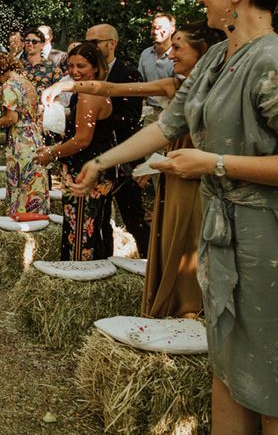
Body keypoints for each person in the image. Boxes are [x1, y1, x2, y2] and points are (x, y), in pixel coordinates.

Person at [73, 0, 278, 432]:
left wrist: (213, 163)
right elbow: (167, 126)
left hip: (267, 243)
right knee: (227, 364)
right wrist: (102, 162)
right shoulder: (215, 58)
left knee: (272, 381)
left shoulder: (275, 61)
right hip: (221, 236)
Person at [43, 24, 222, 315]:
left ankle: (195, 309)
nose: (171, 53)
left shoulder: (223, 89)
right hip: (174, 166)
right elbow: (111, 88)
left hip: (201, 171)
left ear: (203, 51)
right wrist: (64, 86)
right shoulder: (174, 85)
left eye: (178, 47)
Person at [35, 42, 113, 259]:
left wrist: (52, 154)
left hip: (85, 171)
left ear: (96, 67)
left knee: (80, 234)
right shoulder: (91, 90)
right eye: (71, 66)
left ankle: (79, 276)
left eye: (82, 66)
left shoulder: (89, 95)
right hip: (92, 167)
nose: (75, 72)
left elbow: (82, 140)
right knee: (87, 228)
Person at [84, 23, 150, 258]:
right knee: (100, 221)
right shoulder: (86, 74)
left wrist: (98, 116)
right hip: (97, 158)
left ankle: (148, 266)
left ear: (111, 44)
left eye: (93, 42)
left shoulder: (129, 74)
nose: (87, 47)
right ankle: (105, 263)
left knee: (134, 220)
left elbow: (131, 118)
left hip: (124, 158)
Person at [0, 53, 49, 215]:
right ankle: (37, 215)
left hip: (20, 141)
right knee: (35, 180)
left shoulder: (9, 86)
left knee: (20, 180)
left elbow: (11, 118)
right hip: (34, 137)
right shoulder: (27, 83)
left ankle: (20, 215)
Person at [138, 13, 177, 122]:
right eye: (153, 27)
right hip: (150, 112)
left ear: (172, 30)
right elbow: (140, 84)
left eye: (159, 28)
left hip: (173, 112)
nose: (155, 31)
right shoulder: (146, 54)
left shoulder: (178, 55)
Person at [21, 27, 63, 97]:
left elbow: (60, 95)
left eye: (34, 42)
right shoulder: (19, 66)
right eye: (27, 41)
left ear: (42, 45)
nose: (30, 44)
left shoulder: (53, 69)